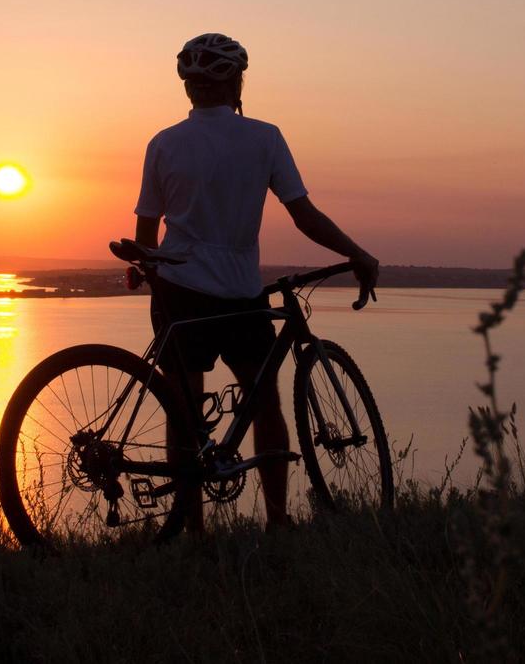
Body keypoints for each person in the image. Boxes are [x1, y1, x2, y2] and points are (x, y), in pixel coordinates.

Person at [132, 32, 380, 529]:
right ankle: (277, 520)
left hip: (178, 290)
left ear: (189, 89)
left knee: (183, 410)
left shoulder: (163, 143)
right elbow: (303, 214)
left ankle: (191, 529)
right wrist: (355, 253)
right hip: (241, 293)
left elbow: (146, 232)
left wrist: (142, 270)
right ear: (237, 82)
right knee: (263, 402)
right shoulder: (265, 137)